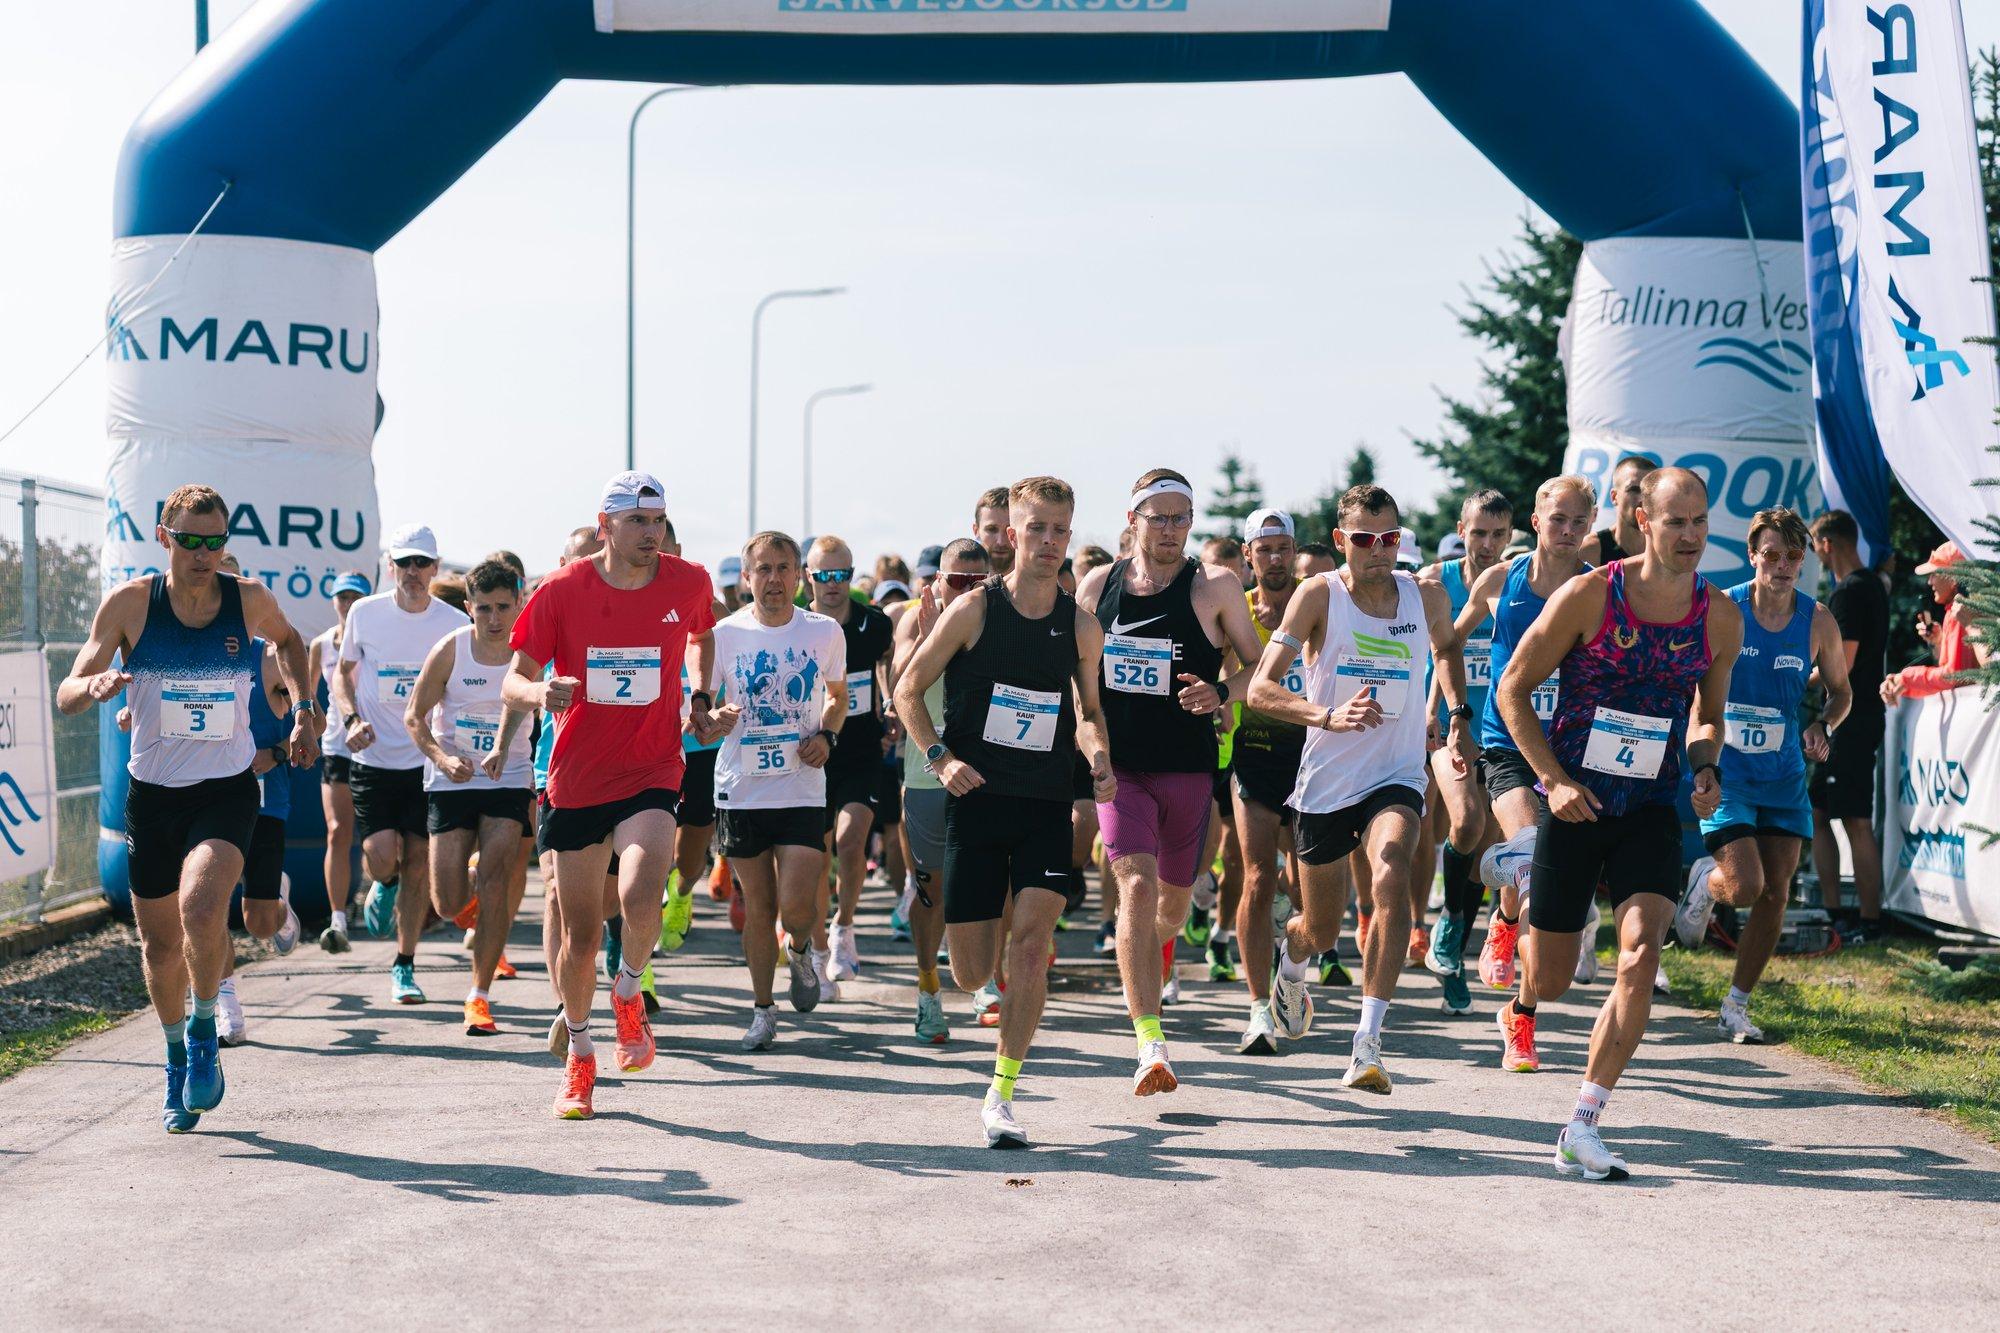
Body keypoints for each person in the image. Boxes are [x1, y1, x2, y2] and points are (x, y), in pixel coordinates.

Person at [1494, 467, 1741, 1180]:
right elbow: (1512, 689)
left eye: (1700, 521)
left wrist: (1704, 767)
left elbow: (1708, 714)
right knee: (1557, 977)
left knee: (1640, 954)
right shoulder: (1591, 596)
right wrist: (1553, 780)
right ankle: (1522, 894)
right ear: (1642, 520)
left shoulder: (1718, 615)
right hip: (1576, 804)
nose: (1690, 535)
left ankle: (1584, 1120)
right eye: (1676, 522)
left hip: (1650, 808)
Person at [57, 484, 319, 1132]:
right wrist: (89, 685)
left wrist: (307, 709)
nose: (203, 554)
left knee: (201, 906)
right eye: (190, 540)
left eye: (214, 541)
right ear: (163, 535)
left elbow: (293, 642)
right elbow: (67, 689)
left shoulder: (246, 600)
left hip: (226, 789)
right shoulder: (130, 605)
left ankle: (205, 1028)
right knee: (157, 945)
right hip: (152, 797)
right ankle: (176, 1057)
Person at [895, 476, 1115, 1146]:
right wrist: (938, 757)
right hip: (976, 802)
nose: (1049, 542)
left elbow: (1089, 710)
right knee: (971, 970)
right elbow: (908, 689)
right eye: (1037, 528)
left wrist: (1100, 755)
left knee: (1029, 949)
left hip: (1045, 803)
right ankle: (970, 986)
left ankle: (1002, 1091)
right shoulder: (975, 610)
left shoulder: (1079, 624)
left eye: (1060, 530)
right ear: (1011, 533)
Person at [504, 472, 715, 1120]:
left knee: (641, 892)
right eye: (638, 521)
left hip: (651, 769)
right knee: (579, 934)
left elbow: (705, 638)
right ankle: (580, 1051)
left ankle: (628, 992)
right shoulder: (563, 591)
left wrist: (699, 697)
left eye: (658, 520)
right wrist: (543, 694)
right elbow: (513, 680)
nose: (652, 534)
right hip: (577, 780)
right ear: (606, 526)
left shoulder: (689, 581)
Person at [1254, 486, 1472, 1091]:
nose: (1381, 551)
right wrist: (1326, 715)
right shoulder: (1319, 595)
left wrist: (1455, 712)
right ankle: (1292, 965)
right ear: (1343, 541)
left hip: (1395, 775)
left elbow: (1448, 647)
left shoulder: (1422, 592)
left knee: (1394, 867)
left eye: (1391, 539)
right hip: (1327, 780)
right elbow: (1261, 690)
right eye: (1367, 540)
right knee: (1319, 930)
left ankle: (1367, 1044)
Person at [1076, 468, 1264, 1095]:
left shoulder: (1213, 586)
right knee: (1135, 884)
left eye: (1181, 517)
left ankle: (1152, 958)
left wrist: (1221, 691)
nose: (1170, 529)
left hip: (1188, 769)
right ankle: (1150, 1042)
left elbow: (1257, 667)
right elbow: (1074, 676)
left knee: (1173, 906)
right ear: (1133, 520)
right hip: (1121, 767)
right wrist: (1088, 746)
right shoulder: (1098, 586)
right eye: (1157, 516)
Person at [1672, 510, 1852, 1042]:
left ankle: (1736, 1004)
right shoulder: (1724, 608)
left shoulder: (1816, 619)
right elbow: (1690, 680)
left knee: (1777, 892)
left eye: (1793, 557)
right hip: (1730, 771)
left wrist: (1823, 723)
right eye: (1771, 555)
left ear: (1805, 560)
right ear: (1753, 555)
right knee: (1747, 885)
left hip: (1783, 775)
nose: (1782, 566)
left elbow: (1842, 692)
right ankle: (1705, 880)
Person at [1453, 476, 1594, 1069]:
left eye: (1576, 521)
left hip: (1572, 750)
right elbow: (1447, 641)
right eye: (1555, 518)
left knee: (1547, 879)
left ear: (1589, 526)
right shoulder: (1499, 579)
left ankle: (1521, 1009)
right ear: (1535, 522)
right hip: (1506, 740)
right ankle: (1508, 925)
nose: (1565, 530)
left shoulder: (1596, 588)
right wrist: (1454, 712)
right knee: (1533, 851)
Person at [690, 531, 848, 1050]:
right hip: (742, 789)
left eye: (784, 568)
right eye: (763, 569)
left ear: (800, 575)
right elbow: (702, 718)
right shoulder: (724, 634)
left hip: (801, 784)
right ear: (747, 578)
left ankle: (801, 950)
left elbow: (838, 696)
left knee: (798, 904)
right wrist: (715, 720)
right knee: (759, 905)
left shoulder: (823, 632)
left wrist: (827, 734)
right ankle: (762, 1009)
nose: (774, 579)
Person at [334, 522, 468, 1004]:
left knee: (418, 864)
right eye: (404, 563)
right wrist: (350, 719)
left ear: (435, 568)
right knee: (382, 855)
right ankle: (381, 883)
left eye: (421, 563)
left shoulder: (453, 623)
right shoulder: (366, 614)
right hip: (373, 756)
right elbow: (342, 677)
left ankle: (404, 963)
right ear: (390, 567)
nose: (412, 572)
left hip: (427, 763)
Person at [405, 559, 535, 1038]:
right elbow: (415, 718)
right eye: (484, 609)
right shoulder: (450, 650)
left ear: (519, 604)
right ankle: (472, 879)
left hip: (508, 777)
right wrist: (442, 759)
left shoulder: (530, 653)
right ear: (469, 608)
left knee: (499, 881)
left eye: (504, 607)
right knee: (445, 904)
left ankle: (478, 996)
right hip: (453, 780)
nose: (495, 619)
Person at [889, 539, 990, 1043]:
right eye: (958, 582)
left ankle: (985, 979)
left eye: (979, 583)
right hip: (927, 776)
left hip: (988, 776)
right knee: (931, 891)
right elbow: (897, 686)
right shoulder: (916, 617)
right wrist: (927, 641)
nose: (968, 591)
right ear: (938, 581)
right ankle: (928, 987)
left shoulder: (997, 617)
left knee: (997, 879)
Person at [1419, 490, 1513, 1010]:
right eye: (1478, 533)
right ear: (1462, 529)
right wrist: (1433, 714)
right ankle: (1451, 924)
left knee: (1486, 854)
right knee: (1468, 822)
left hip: (1501, 730)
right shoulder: (1435, 581)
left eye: (1499, 535)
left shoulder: (1515, 583)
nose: (1487, 544)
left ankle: (1453, 947)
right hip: (1451, 725)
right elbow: (1436, 650)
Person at [1230, 508, 1304, 1053]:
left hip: (1316, 752)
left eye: (1284, 548)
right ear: (1248, 554)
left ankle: (1292, 969)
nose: (1275, 558)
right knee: (1257, 875)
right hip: (1255, 749)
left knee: (1306, 891)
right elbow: (1224, 669)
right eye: (1266, 548)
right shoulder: (1236, 608)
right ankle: (1258, 1009)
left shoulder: (1317, 600)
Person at [806, 536, 894, 987]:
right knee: (815, 857)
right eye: (824, 575)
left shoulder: (873, 624)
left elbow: (886, 665)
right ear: (809, 577)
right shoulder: (796, 625)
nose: (834, 584)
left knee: (851, 839)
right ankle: (818, 949)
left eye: (842, 574)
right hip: (808, 755)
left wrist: (892, 704)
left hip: (859, 749)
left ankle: (844, 925)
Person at [1807, 510, 1891, 944]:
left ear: (1826, 544)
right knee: (1819, 810)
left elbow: (1845, 663)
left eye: (1812, 546)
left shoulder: (1851, 593)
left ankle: (1869, 921)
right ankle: (1835, 913)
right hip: (1845, 721)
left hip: (1850, 720)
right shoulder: (1871, 584)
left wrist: (1796, 675)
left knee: (1855, 819)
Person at [308, 571, 371, 952]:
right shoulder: (321, 644)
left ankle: (383, 894)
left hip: (376, 745)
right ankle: (338, 921)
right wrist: (316, 721)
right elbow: (306, 689)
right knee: (337, 831)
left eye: (354, 597)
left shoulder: (374, 638)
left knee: (382, 836)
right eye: (342, 597)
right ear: (333, 601)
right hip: (336, 746)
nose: (347, 604)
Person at [1580, 454, 1656, 566]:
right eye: (1634, 490)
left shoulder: (1667, 550)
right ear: (1614, 496)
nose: (1641, 499)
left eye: (1649, 492)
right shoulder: (1589, 551)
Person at [974, 486, 1016, 577]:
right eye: (992, 529)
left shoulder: (1046, 585)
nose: (1000, 542)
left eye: (1008, 531)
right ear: (976, 530)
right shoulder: (958, 586)